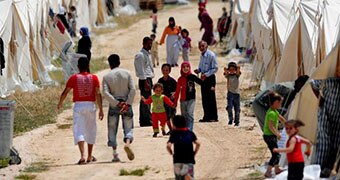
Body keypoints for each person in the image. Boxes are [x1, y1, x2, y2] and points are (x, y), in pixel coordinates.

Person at [57, 57, 104, 165]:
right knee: (91, 129)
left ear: (78, 67)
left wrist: (60, 103)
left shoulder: (74, 78)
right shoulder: (94, 78)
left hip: (79, 106)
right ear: (88, 66)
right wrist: (101, 109)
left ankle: (82, 155)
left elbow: (65, 92)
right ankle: (89, 156)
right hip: (90, 106)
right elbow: (98, 93)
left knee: (79, 130)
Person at [102, 54, 136, 162]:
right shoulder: (127, 73)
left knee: (112, 128)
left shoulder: (107, 77)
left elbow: (105, 93)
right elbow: (133, 89)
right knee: (128, 127)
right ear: (119, 62)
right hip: (126, 102)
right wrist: (127, 103)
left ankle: (115, 154)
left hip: (114, 105)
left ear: (109, 64)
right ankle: (127, 143)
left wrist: (117, 103)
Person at [310, 77, 340, 177]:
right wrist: (320, 97)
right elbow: (312, 83)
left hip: (338, 118)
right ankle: (318, 168)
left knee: (335, 143)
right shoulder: (329, 81)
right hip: (325, 113)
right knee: (324, 141)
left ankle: (328, 168)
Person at [167, 115, 201, 180]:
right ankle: (187, 176)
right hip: (189, 159)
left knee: (178, 177)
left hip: (177, 159)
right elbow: (198, 143)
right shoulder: (190, 133)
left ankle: (185, 176)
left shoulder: (174, 134)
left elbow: (168, 145)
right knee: (190, 176)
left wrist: (171, 153)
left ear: (174, 124)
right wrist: (194, 153)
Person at [263, 92, 286, 178]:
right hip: (269, 136)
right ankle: (268, 171)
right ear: (275, 103)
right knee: (276, 154)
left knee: (276, 153)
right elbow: (271, 126)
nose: (280, 104)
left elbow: (281, 118)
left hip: (270, 136)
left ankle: (277, 169)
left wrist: (286, 124)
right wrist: (277, 134)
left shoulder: (274, 111)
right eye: (279, 103)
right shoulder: (271, 113)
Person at [194, 41, 218, 122]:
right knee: (204, 98)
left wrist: (206, 74)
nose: (201, 48)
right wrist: (198, 70)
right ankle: (206, 116)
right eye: (200, 46)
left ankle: (213, 117)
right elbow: (201, 66)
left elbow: (215, 68)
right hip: (203, 78)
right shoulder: (202, 55)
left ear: (206, 46)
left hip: (210, 78)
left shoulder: (211, 55)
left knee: (211, 98)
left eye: (203, 46)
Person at [174, 62, 202, 131]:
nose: (186, 68)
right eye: (184, 67)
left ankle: (189, 129)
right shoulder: (180, 79)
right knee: (184, 116)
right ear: (181, 68)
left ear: (189, 68)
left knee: (190, 114)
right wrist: (175, 102)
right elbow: (177, 92)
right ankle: (184, 129)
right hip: (183, 100)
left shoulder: (192, 77)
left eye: (187, 67)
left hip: (191, 99)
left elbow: (201, 82)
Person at [134, 36, 154, 127]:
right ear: (144, 43)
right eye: (148, 43)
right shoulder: (140, 55)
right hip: (144, 80)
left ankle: (144, 120)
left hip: (148, 78)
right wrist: (145, 81)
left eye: (151, 43)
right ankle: (146, 120)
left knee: (147, 100)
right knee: (145, 100)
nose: (150, 45)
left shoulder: (147, 54)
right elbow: (141, 70)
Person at [157, 63, 177, 134]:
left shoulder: (173, 81)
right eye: (164, 70)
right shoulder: (160, 81)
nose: (165, 71)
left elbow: (177, 90)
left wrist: (174, 94)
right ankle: (170, 129)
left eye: (167, 70)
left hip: (171, 102)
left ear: (169, 71)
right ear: (161, 70)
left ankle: (174, 130)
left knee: (172, 116)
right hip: (163, 102)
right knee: (166, 117)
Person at [223, 62, 241, 126]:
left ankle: (237, 121)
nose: (232, 71)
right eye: (230, 70)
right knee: (229, 107)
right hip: (230, 93)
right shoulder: (228, 76)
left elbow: (238, 70)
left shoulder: (237, 75)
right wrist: (226, 70)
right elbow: (225, 73)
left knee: (237, 109)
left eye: (233, 69)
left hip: (237, 94)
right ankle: (230, 119)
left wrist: (237, 68)